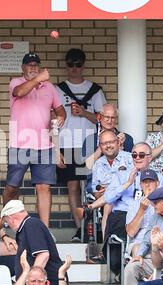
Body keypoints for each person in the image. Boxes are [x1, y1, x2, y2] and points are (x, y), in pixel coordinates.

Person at [2, 52, 66, 227]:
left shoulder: (49, 88)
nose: (32, 68)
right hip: (19, 144)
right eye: (29, 65)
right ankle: (8, 219)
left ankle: (44, 229)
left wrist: (60, 118)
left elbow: (60, 110)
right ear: (22, 67)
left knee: (44, 188)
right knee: (12, 187)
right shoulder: (16, 82)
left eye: (35, 65)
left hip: (45, 145)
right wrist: (39, 79)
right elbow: (20, 92)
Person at [55, 48, 106, 237]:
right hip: (66, 142)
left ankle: (94, 226)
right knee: (73, 186)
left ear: (83, 66)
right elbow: (51, 120)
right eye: (71, 65)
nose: (74, 69)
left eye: (78, 65)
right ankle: (80, 227)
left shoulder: (94, 90)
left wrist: (84, 113)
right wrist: (54, 148)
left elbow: (103, 119)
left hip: (90, 143)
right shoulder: (58, 90)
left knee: (91, 186)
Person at [122, 186, 163, 285]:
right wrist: (139, 255)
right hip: (154, 258)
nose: (153, 205)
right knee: (131, 268)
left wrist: (160, 272)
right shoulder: (155, 216)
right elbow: (146, 240)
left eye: (156, 202)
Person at [0, 199, 63, 285]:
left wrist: (31, 282)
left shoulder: (31, 224)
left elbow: (43, 255)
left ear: (11, 218)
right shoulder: (27, 226)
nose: (8, 225)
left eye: (6, 222)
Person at [86, 130, 133, 242]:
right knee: (108, 203)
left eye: (111, 142)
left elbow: (133, 183)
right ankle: (106, 246)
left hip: (127, 198)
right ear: (100, 146)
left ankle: (105, 247)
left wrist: (111, 189)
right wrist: (102, 191)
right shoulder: (98, 164)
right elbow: (96, 191)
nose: (108, 146)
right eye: (104, 143)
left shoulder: (130, 158)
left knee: (109, 203)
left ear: (118, 142)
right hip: (107, 200)